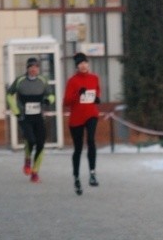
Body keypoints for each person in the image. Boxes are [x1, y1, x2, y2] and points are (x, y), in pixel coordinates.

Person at [6, 57, 55, 183]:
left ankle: (35, 171)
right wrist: (16, 112)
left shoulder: (42, 81)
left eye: (36, 67)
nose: (34, 69)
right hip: (24, 117)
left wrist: (48, 100)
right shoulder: (20, 80)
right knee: (31, 140)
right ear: (27, 68)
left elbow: (51, 95)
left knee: (41, 144)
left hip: (38, 117)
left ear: (38, 68)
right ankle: (27, 160)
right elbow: (9, 95)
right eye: (31, 67)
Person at [63, 52, 101, 196]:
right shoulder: (72, 81)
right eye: (80, 64)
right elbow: (66, 102)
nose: (83, 65)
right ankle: (76, 178)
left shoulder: (94, 78)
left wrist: (97, 99)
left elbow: (97, 92)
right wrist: (77, 94)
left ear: (88, 64)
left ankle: (92, 173)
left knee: (91, 140)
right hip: (76, 118)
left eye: (85, 63)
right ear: (77, 66)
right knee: (78, 148)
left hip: (91, 114)